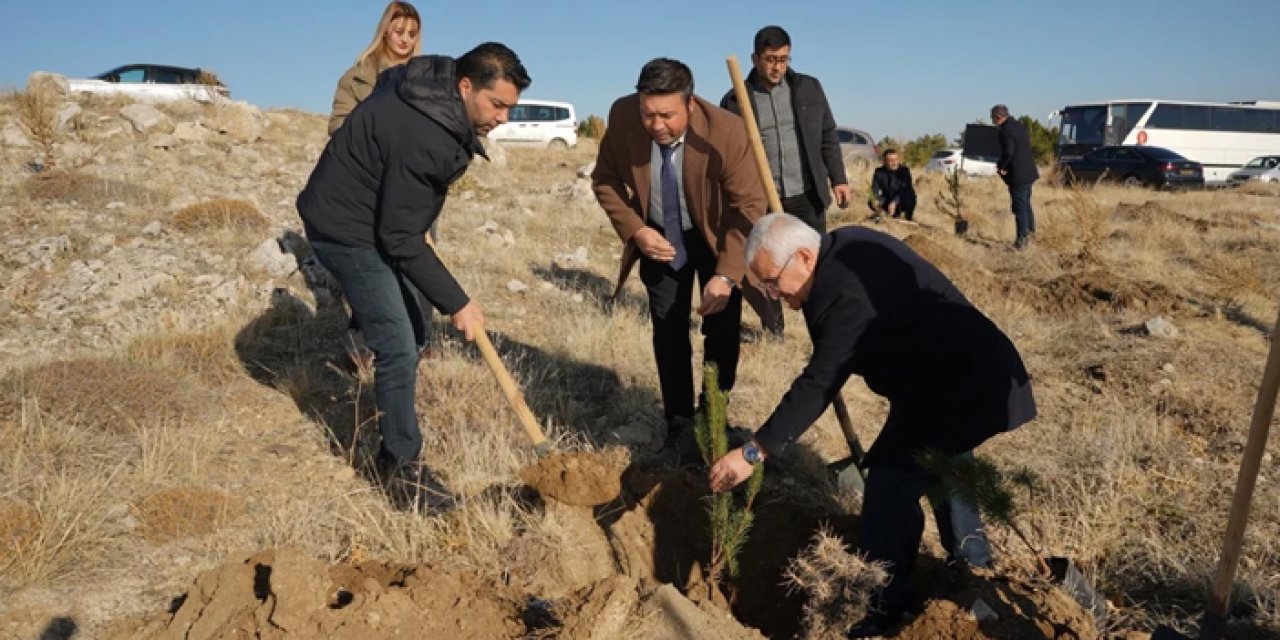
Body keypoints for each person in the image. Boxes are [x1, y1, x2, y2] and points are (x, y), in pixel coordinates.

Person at [708, 214, 1037, 636]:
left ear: (804, 257)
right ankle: (973, 570)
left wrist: (754, 451)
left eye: (772, 282)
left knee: (889, 483)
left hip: (964, 381)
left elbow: (820, 381)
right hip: (947, 378)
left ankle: (885, 608)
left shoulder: (842, 291)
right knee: (943, 461)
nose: (773, 295)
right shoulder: (842, 246)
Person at [297, 43, 531, 514]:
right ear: (465, 86)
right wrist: (458, 303)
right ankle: (400, 466)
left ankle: (394, 416)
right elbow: (399, 237)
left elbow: (402, 221)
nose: (503, 118)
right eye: (497, 105)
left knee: (415, 325)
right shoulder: (424, 132)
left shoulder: (433, 93)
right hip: (345, 228)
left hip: (376, 218)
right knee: (398, 344)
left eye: (510, 107)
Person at [592, 58, 766, 465]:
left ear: (690, 104)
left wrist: (726, 275)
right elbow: (604, 180)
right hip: (658, 237)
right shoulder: (623, 116)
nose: (656, 125)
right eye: (648, 114)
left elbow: (749, 206)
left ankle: (713, 418)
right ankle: (679, 426)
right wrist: (637, 230)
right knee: (668, 329)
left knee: (721, 329)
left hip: (717, 237)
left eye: (667, 115)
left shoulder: (727, 131)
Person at [720, 25, 849, 336]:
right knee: (767, 266)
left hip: (806, 192)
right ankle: (774, 328)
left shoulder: (809, 88)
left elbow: (828, 135)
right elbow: (728, 154)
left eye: (783, 59)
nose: (777, 67)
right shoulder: (736, 99)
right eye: (770, 59)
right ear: (755, 59)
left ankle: (823, 326)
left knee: (814, 262)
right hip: (762, 199)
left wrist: (839, 179)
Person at [328, 1, 422, 136]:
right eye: (399, 32)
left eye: (412, 34)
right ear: (385, 31)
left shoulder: (425, 78)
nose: (405, 39)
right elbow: (338, 125)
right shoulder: (356, 78)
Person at [991, 104, 1039, 249]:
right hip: (1029, 172)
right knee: (1026, 204)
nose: (992, 121)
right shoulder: (1020, 126)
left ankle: (1022, 241)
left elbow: (1009, 152)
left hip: (1018, 175)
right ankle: (1031, 233)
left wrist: (1002, 166)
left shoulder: (1005, 131)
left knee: (1019, 208)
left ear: (998, 117)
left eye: (992, 118)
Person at [870, 149, 916, 221]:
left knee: (909, 198)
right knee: (872, 201)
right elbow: (874, 189)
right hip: (887, 198)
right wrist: (874, 201)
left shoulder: (904, 170)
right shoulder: (879, 172)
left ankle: (908, 217)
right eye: (891, 160)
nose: (894, 162)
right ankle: (882, 215)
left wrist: (894, 202)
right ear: (884, 161)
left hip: (902, 198)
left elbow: (905, 190)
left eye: (896, 160)